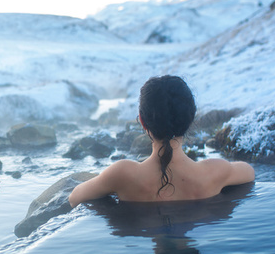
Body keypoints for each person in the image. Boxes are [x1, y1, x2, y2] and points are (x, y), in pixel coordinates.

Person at [68, 75, 254, 207]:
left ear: (142, 121)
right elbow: (249, 172)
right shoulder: (215, 171)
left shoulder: (123, 174)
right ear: (191, 118)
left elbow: (74, 197)